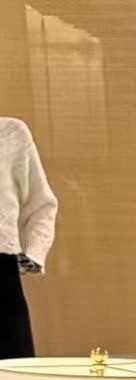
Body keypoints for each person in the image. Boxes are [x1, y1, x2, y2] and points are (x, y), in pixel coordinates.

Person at [0, 117, 58, 358]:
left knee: (11, 370)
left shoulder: (10, 133)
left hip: (2, 276)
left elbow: (42, 205)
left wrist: (33, 254)